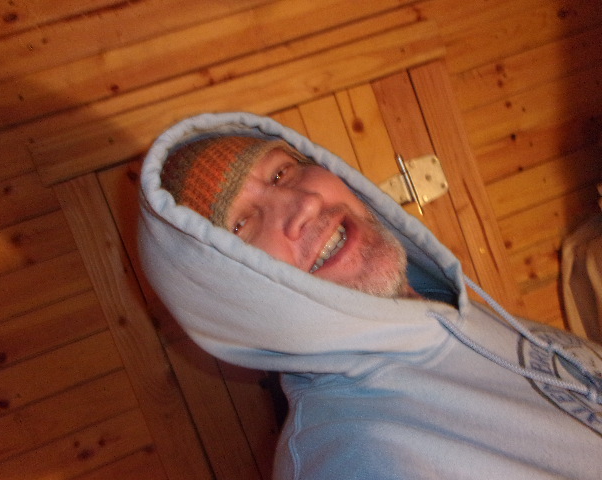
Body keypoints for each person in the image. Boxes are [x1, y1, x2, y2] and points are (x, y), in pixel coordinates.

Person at [139, 112, 602, 479]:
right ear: (234, 297)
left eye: (281, 172)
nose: (304, 204)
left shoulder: (439, 307)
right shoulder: (353, 457)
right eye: (241, 224)